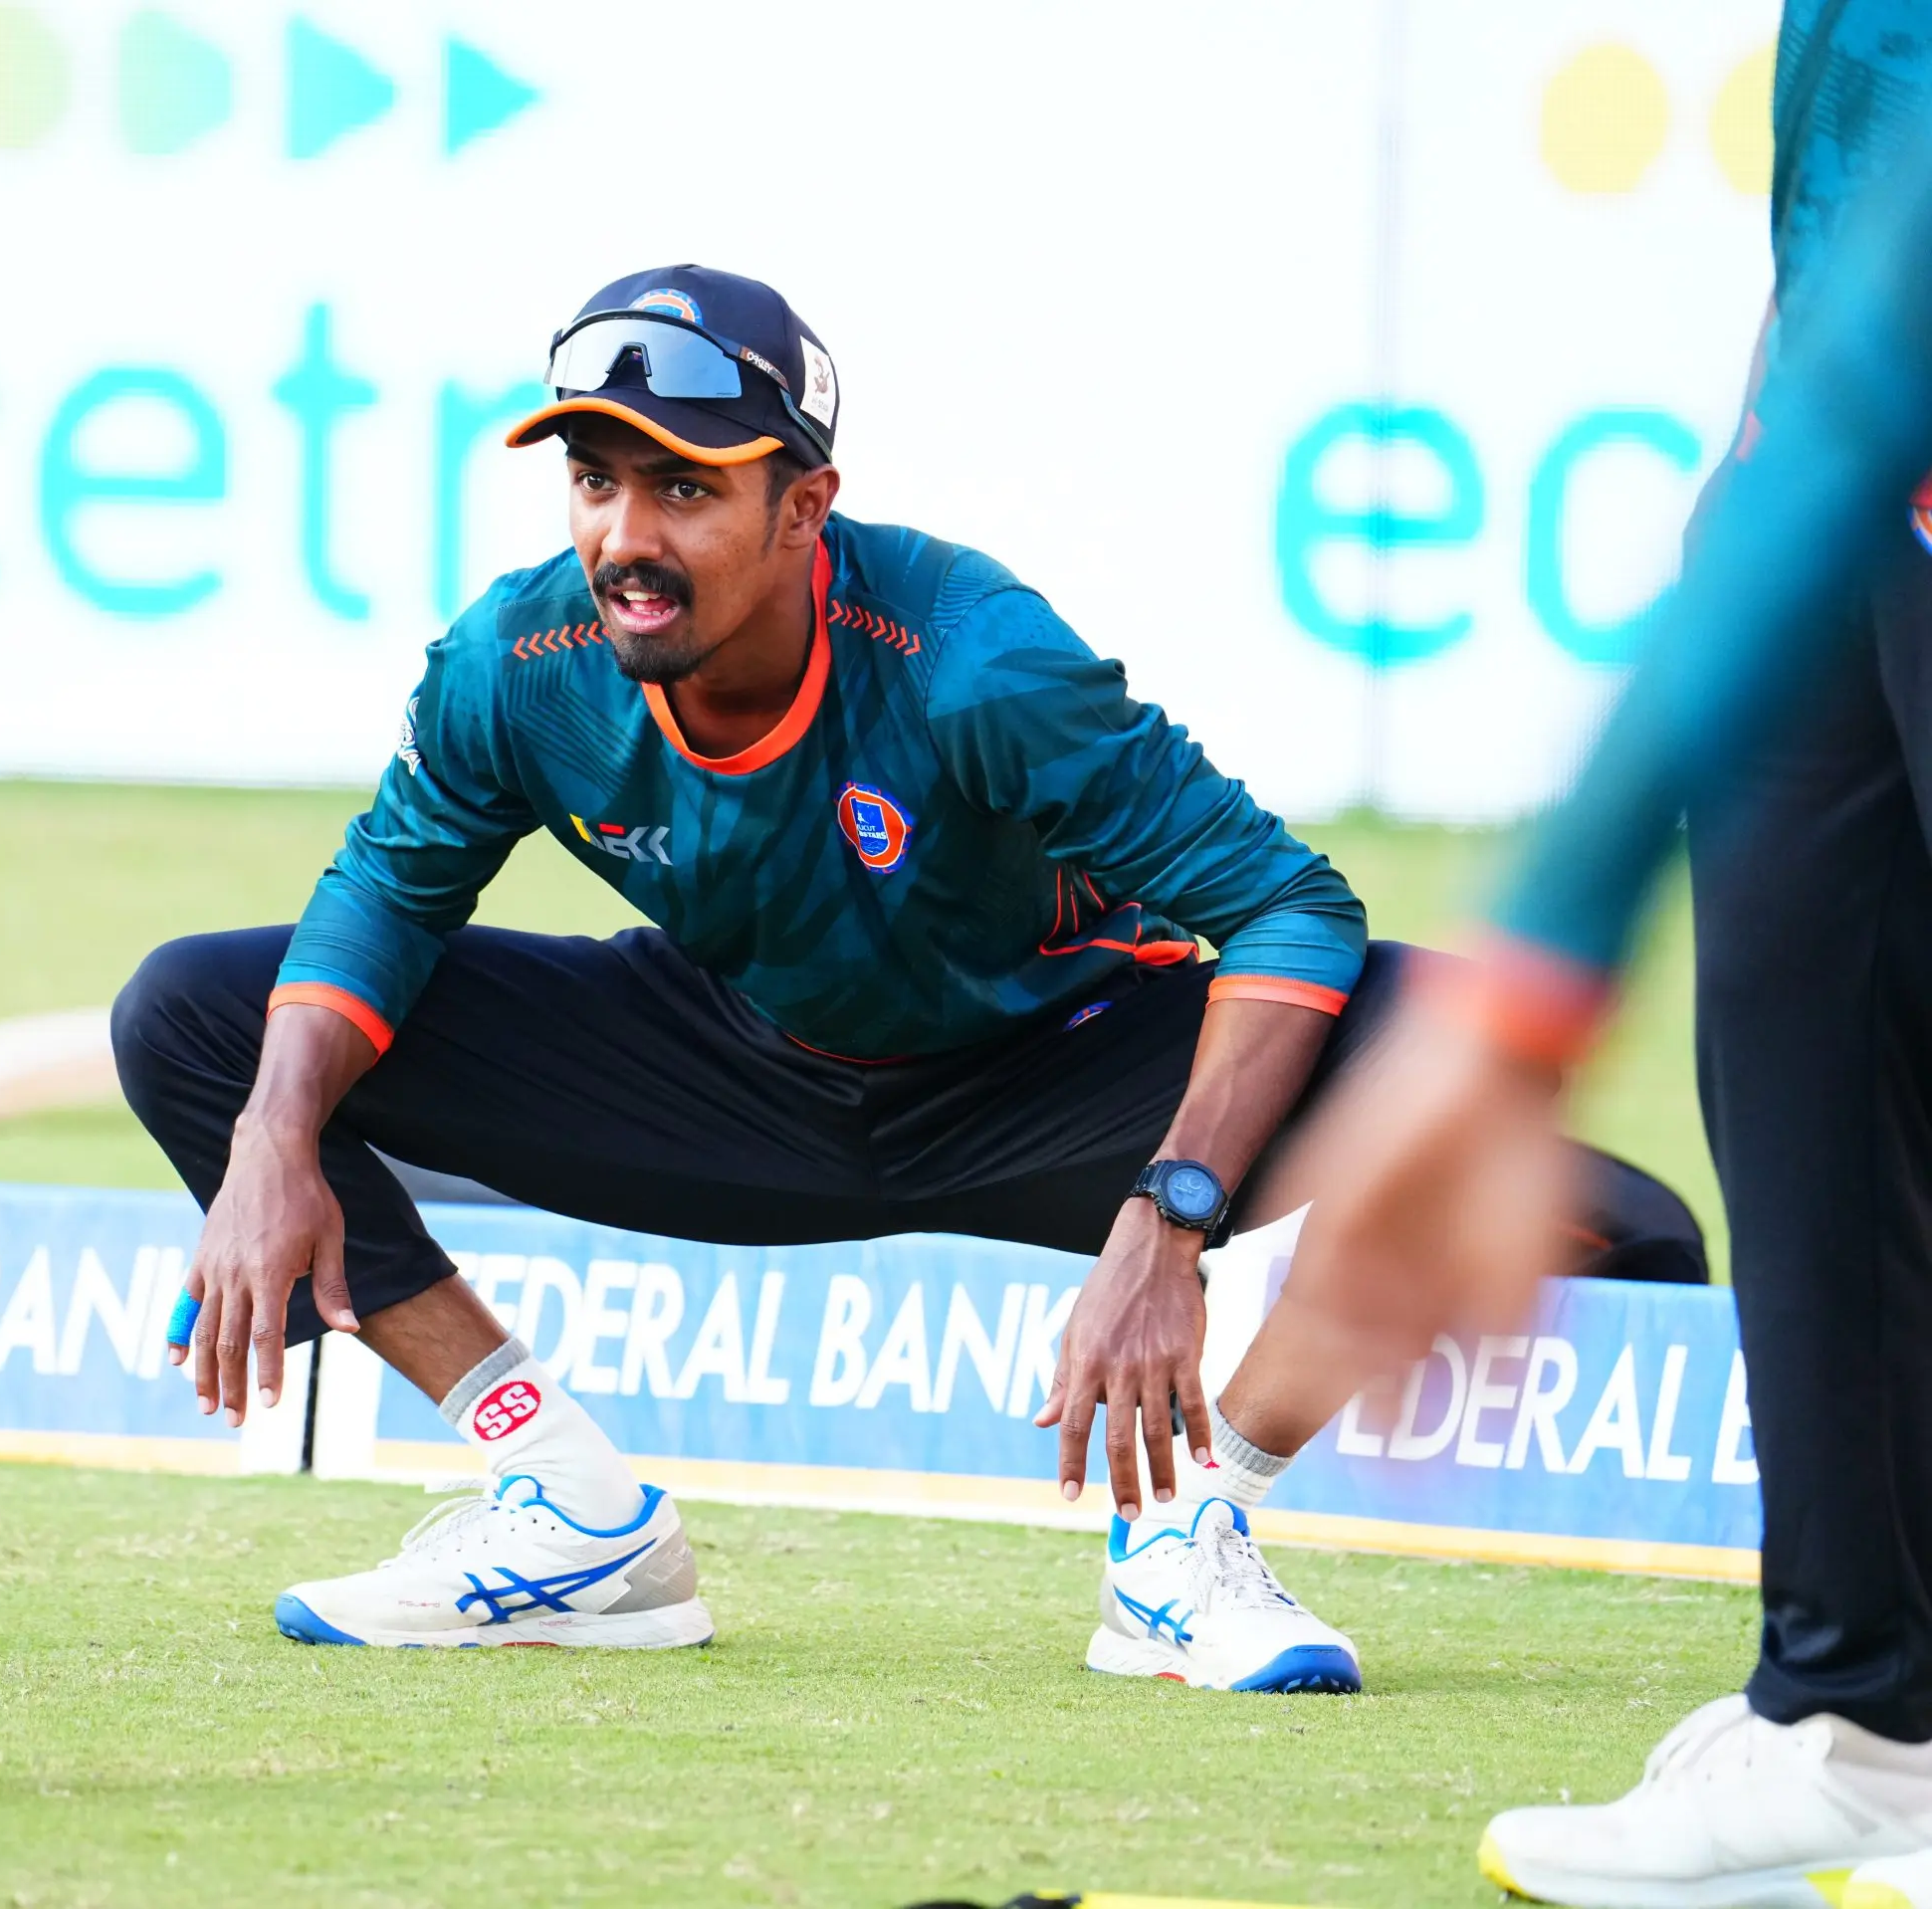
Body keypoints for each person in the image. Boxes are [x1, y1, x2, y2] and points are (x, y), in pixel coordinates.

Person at [113, 264, 1688, 1685]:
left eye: (685, 489)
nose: (625, 540)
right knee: (199, 1020)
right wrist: (271, 1135)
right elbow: (383, 893)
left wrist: (1173, 1212)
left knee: (1519, 1095)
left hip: (1068, 1076)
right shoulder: (518, 666)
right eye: (596, 482)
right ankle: (567, 1502)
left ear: (805, 506)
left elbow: (1289, 906)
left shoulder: (972, 657)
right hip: (737, 1070)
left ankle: (1186, 1532)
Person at [1289, 9, 1932, 1903]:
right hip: (1847, 458)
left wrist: (1529, 972)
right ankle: (1866, 1720)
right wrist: (1767, 436)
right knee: (1803, 1065)